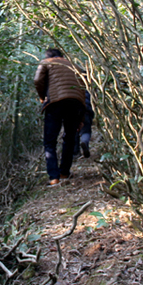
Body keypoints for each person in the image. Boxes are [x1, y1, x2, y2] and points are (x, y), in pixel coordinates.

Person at [34, 48, 86, 186]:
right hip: (75, 103)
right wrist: (81, 118)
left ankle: (53, 177)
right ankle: (64, 173)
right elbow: (83, 90)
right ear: (62, 56)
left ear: (48, 56)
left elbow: (37, 80)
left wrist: (42, 97)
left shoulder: (46, 62)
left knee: (50, 141)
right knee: (69, 138)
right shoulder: (75, 66)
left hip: (55, 103)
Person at [74, 90, 93, 158]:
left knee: (74, 131)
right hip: (86, 109)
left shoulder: (72, 84)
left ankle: (75, 152)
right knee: (86, 130)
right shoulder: (88, 86)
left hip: (74, 108)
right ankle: (84, 142)